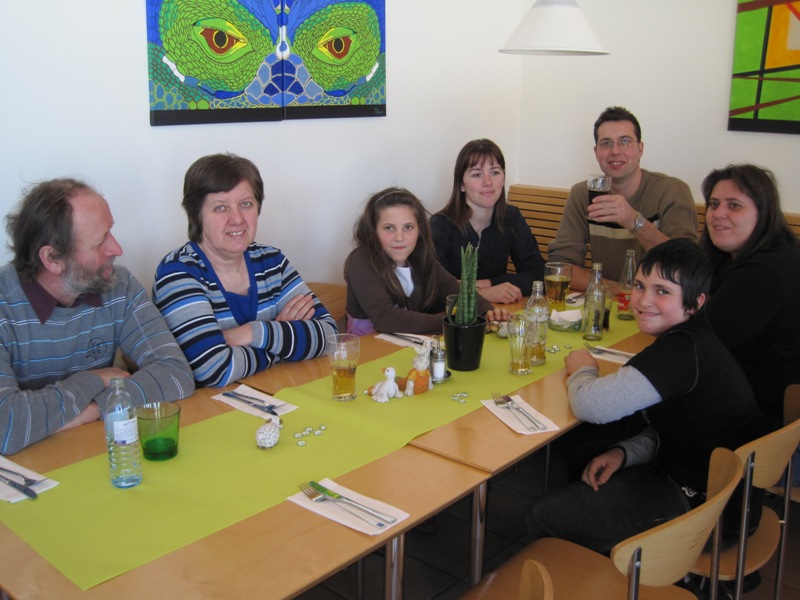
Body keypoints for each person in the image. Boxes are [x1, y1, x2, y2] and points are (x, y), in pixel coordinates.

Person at [527, 239, 762, 554]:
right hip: (715, 487)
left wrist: (583, 368)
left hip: (709, 509)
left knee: (543, 514)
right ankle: (604, 555)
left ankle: (625, 568)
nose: (644, 300)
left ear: (695, 303)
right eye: (640, 286)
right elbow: (683, 427)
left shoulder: (680, 352)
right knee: (586, 456)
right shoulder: (692, 338)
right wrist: (625, 452)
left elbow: (591, 406)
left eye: (662, 291)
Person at [0, 178, 195, 455]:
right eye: (99, 241)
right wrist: (95, 380)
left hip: (97, 454)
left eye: (110, 232)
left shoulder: (119, 286)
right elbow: (6, 426)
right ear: (52, 259)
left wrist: (94, 409)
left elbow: (176, 374)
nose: (117, 249)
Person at [153, 153, 336, 387]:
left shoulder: (271, 261)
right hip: (207, 407)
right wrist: (282, 340)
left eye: (246, 204)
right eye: (220, 207)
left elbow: (330, 336)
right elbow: (214, 369)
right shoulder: (177, 272)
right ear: (196, 214)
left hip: (274, 394)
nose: (237, 219)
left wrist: (250, 333)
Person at [548, 106, 698, 290]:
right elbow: (560, 267)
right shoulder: (582, 194)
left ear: (640, 148)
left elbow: (687, 267)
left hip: (658, 303)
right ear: (596, 152)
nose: (615, 151)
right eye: (606, 143)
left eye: (625, 141)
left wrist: (634, 221)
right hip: (608, 299)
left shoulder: (672, 191)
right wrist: (619, 292)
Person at [700, 164, 800, 433]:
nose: (718, 213)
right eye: (714, 204)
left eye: (734, 205)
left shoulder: (766, 272)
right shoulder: (732, 259)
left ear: (763, 213)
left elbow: (697, 342)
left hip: (770, 425)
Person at [345, 187, 507, 335]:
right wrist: (454, 320)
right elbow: (385, 318)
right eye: (389, 228)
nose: (399, 237)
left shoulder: (420, 257)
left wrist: (487, 311)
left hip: (406, 347)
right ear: (373, 230)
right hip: (368, 353)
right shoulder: (360, 261)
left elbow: (456, 291)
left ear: (419, 229)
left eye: (408, 227)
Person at [431, 139, 544, 304]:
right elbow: (434, 287)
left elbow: (538, 276)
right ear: (461, 184)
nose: (488, 182)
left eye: (495, 172)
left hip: (498, 312)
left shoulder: (511, 217)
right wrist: (484, 294)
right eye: (477, 174)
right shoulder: (439, 226)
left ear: (503, 178)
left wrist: (489, 283)